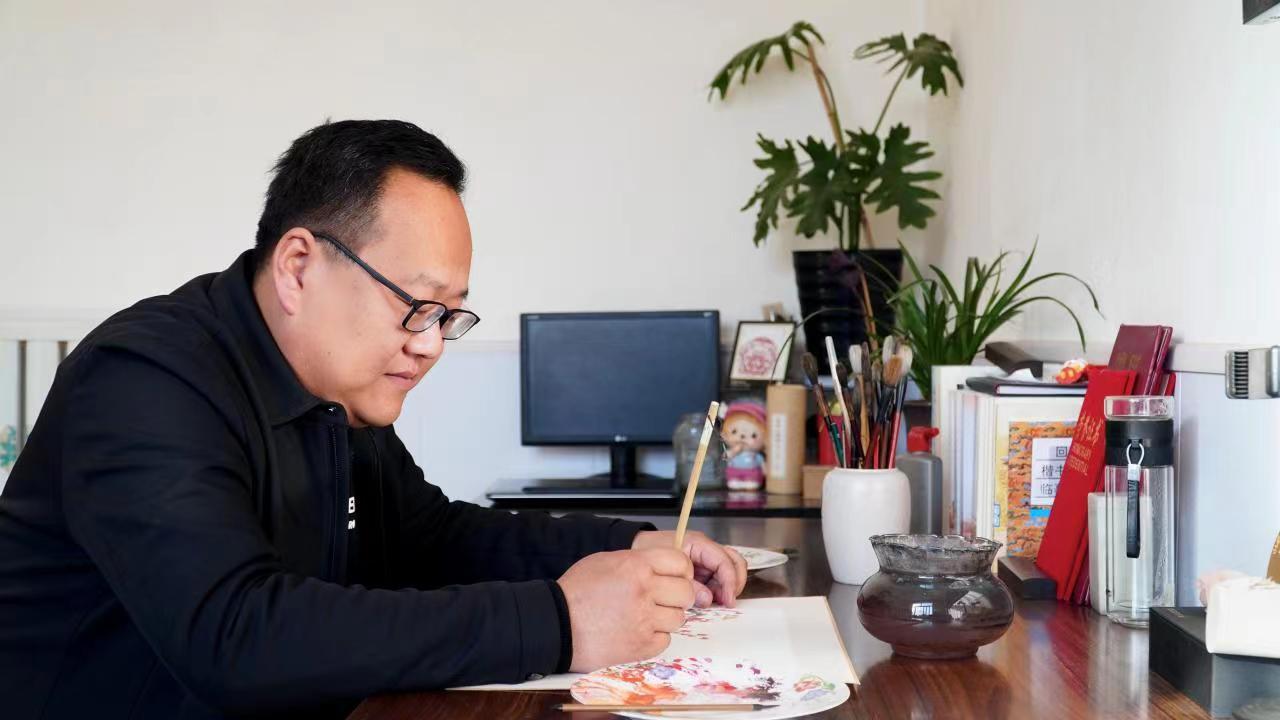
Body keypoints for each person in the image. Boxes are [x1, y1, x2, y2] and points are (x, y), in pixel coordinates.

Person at [0, 119, 747, 719]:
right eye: (416, 306)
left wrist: (631, 545)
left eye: (448, 316)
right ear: (298, 266)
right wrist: (560, 621)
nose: (430, 345)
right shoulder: (143, 378)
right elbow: (234, 635)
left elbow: (430, 538)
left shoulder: (336, 391)